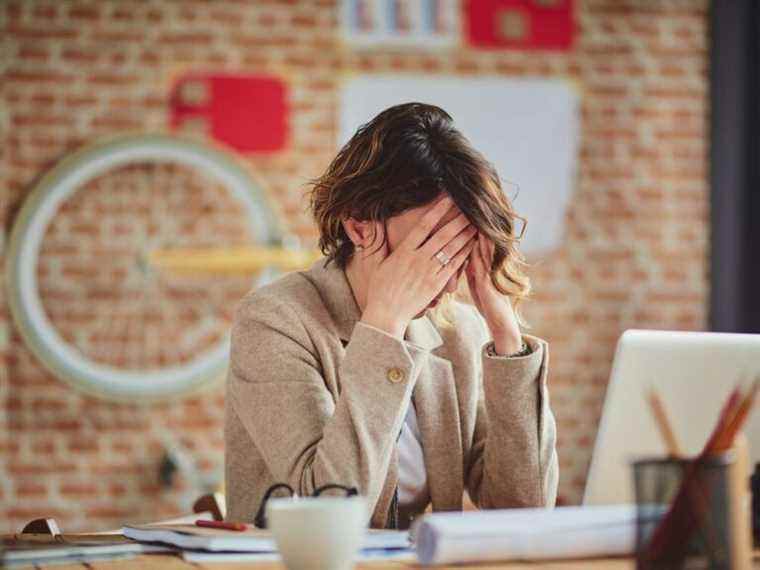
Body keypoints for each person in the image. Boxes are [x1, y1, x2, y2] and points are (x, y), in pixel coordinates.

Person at [225, 102, 558, 529]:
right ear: (361, 228)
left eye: (463, 246)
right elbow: (330, 513)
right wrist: (383, 326)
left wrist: (506, 333)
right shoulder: (275, 320)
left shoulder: (459, 331)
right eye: (434, 244)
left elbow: (524, 512)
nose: (448, 274)